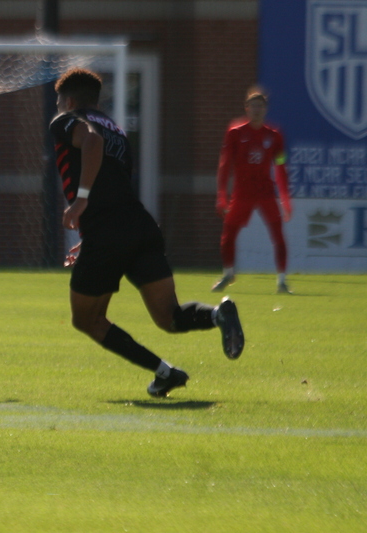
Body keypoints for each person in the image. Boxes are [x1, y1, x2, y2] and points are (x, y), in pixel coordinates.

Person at [51, 68, 244, 397]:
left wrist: (82, 203)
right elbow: (114, 186)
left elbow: (92, 143)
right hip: (139, 226)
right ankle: (217, 314)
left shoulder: (68, 121)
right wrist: (92, 235)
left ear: (69, 101)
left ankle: (164, 372)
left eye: (59, 102)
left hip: (109, 232)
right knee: (170, 316)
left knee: (87, 319)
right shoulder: (119, 132)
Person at [213, 90, 293, 294]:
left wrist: (284, 198)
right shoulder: (235, 132)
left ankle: (282, 281)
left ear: (265, 109)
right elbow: (225, 164)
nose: (257, 110)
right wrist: (222, 195)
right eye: (253, 106)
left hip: (265, 192)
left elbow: (280, 166)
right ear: (246, 108)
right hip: (242, 192)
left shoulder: (274, 136)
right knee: (228, 235)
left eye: (260, 106)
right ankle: (228, 273)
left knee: (278, 235)